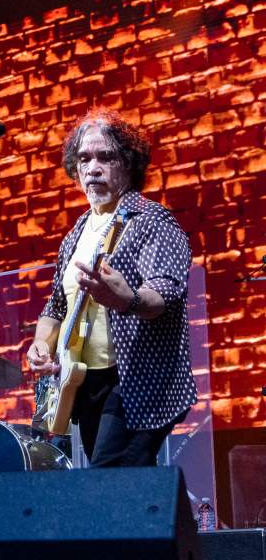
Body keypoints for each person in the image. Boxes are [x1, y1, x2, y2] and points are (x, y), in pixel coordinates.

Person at [26, 110, 196, 466]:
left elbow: (164, 292)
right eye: (84, 159)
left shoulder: (151, 220)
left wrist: (128, 300)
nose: (93, 167)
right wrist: (42, 343)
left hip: (136, 380)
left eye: (106, 157)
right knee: (119, 490)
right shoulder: (77, 232)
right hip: (87, 383)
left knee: (110, 478)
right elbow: (56, 306)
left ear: (129, 165)